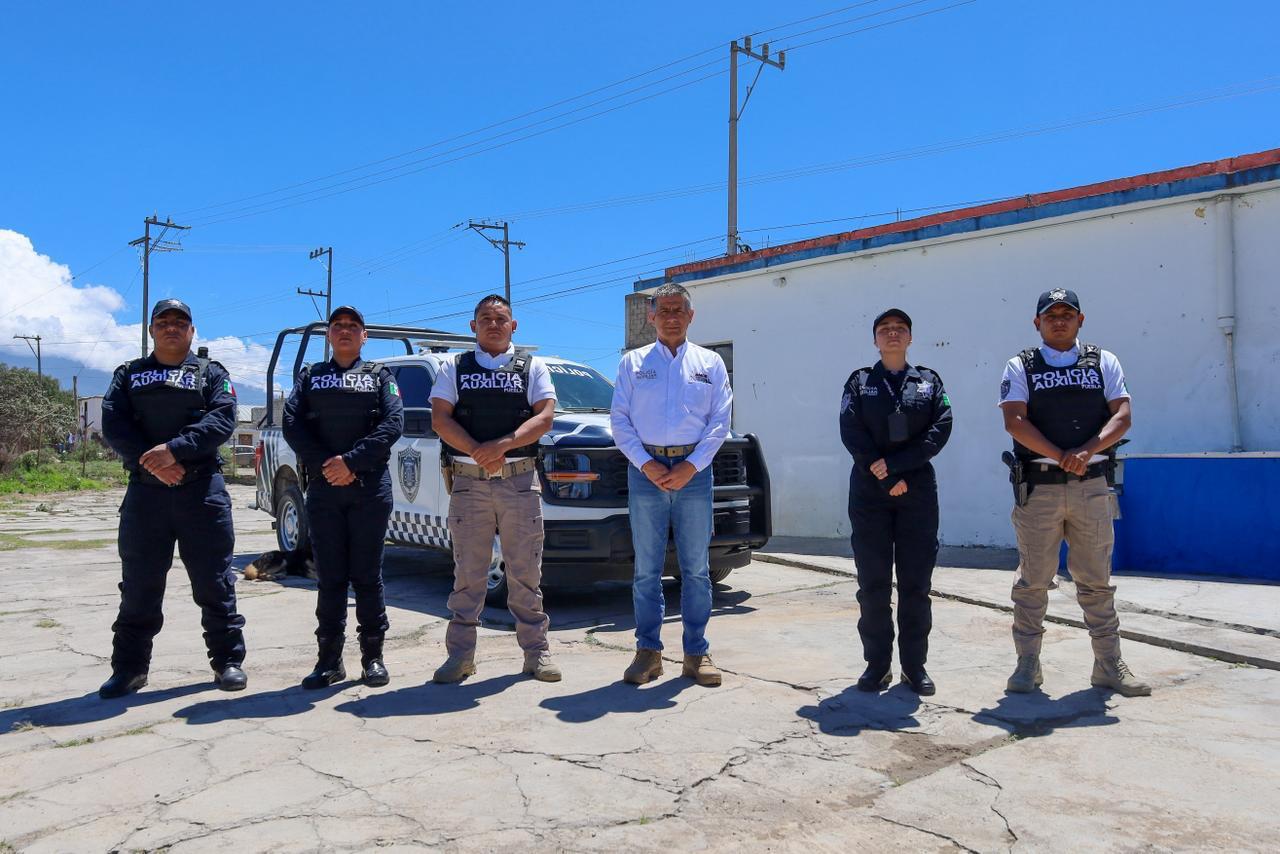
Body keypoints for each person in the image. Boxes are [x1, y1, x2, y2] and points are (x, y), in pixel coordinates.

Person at [998, 288, 1150, 697]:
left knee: (1096, 581)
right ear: (1037, 323)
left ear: (1080, 320)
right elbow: (1014, 421)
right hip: (1039, 489)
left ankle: (1108, 664)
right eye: (1051, 315)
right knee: (1033, 581)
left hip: (1091, 487)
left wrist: (1085, 452)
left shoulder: (1104, 361)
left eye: (1067, 314)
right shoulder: (1020, 365)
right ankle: (1027, 664)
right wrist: (1062, 455)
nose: (1059, 321)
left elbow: (1123, 415)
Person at [98, 299, 246, 698]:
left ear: (192, 331)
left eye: (180, 322)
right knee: (139, 585)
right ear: (151, 330)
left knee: (215, 582)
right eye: (163, 321)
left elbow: (222, 418)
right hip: (146, 495)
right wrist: (153, 463)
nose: (171, 327)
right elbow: (114, 424)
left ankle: (227, 662)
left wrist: (174, 451)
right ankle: (129, 670)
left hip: (202, 492)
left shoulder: (211, 373)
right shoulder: (129, 374)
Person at [429, 294, 560, 684]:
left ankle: (536, 654)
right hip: (469, 482)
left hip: (519, 480)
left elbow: (545, 417)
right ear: (473, 326)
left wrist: (500, 446)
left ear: (513, 325)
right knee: (468, 575)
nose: (493, 324)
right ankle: (460, 657)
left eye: (501, 318)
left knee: (525, 573)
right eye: (485, 318)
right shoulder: (454, 367)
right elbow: (440, 419)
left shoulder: (533, 367)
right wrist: (477, 451)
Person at [611, 282, 732, 687]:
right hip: (645, 472)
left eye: (678, 309)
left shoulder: (710, 363)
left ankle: (696, 653)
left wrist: (691, 466)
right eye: (663, 310)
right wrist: (646, 463)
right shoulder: (633, 363)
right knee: (646, 569)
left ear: (691, 315)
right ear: (651, 317)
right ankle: (648, 653)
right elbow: (619, 420)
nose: (671, 317)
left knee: (696, 569)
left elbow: (720, 422)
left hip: (694, 474)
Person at [283, 306, 403, 689]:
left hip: (369, 488)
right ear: (329, 335)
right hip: (324, 488)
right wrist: (327, 465)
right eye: (338, 326)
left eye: (353, 326)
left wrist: (350, 462)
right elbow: (291, 423)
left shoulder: (381, 376)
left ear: (364, 336)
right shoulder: (310, 377)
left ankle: (373, 658)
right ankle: (329, 661)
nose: (345, 331)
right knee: (331, 578)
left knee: (367, 576)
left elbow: (393, 423)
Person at [839, 308, 953, 695]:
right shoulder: (859, 382)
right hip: (870, 492)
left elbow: (941, 427)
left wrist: (899, 466)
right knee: (873, 585)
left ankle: (914, 667)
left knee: (915, 585)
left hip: (917, 492)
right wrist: (883, 473)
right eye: (885, 329)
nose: (893, 334)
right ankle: (877, 666)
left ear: (910, 338)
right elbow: (851, 430)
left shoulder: (929, 381)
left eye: (900, 329)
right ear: (875, 339)